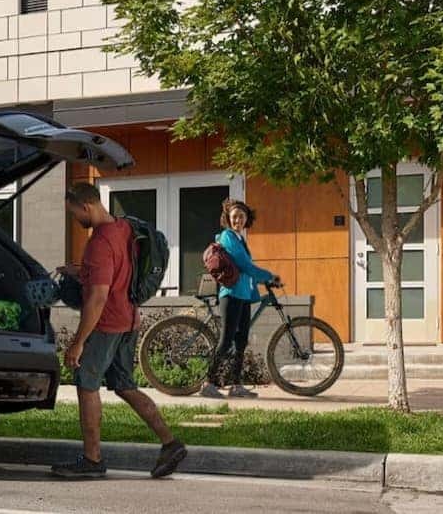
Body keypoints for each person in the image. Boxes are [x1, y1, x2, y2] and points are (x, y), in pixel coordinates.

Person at [53, 183, 186, 479]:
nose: (76, 219)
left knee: (86, 385)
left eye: (74, 212)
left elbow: (98, 298)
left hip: (106, 324)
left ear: (85, 206)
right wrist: (80, 271)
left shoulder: (99, 242)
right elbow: (116, 271)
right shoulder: (124, 227)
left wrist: (78, 342)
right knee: (125, 385)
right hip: (129, 320)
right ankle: (171, 443)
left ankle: (92, 460)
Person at [201, 199, 278, 399]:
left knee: (241, 341)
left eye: (241, 216)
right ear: (228, 218)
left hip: (243, 295)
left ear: (246, 219)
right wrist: (269, 276)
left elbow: (247, 271)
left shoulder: (240, 239)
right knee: (226, 340)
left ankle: (236, 385)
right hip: (231, 295)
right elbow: (245, 266)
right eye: (234, 216)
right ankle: (208, 383)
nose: (238, 220)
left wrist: (261, 282)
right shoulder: (228, 237)